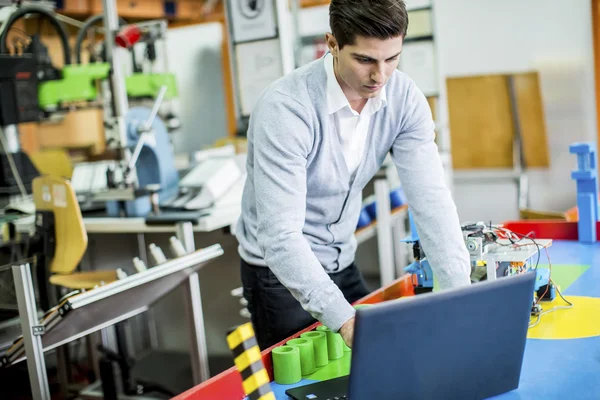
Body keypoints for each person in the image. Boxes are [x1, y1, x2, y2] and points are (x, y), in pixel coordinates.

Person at [235, 0, 471, 350]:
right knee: (307, 386)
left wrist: (459, 294)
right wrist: (344, 320)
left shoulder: (403, 98)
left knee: (379, 362)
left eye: (392, 59)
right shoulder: (286, 109)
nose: (380, 76)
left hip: (342, 259)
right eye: (365, 60)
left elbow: (431, 199)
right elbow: (280, 237)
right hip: (279, 276)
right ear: (332, 44)